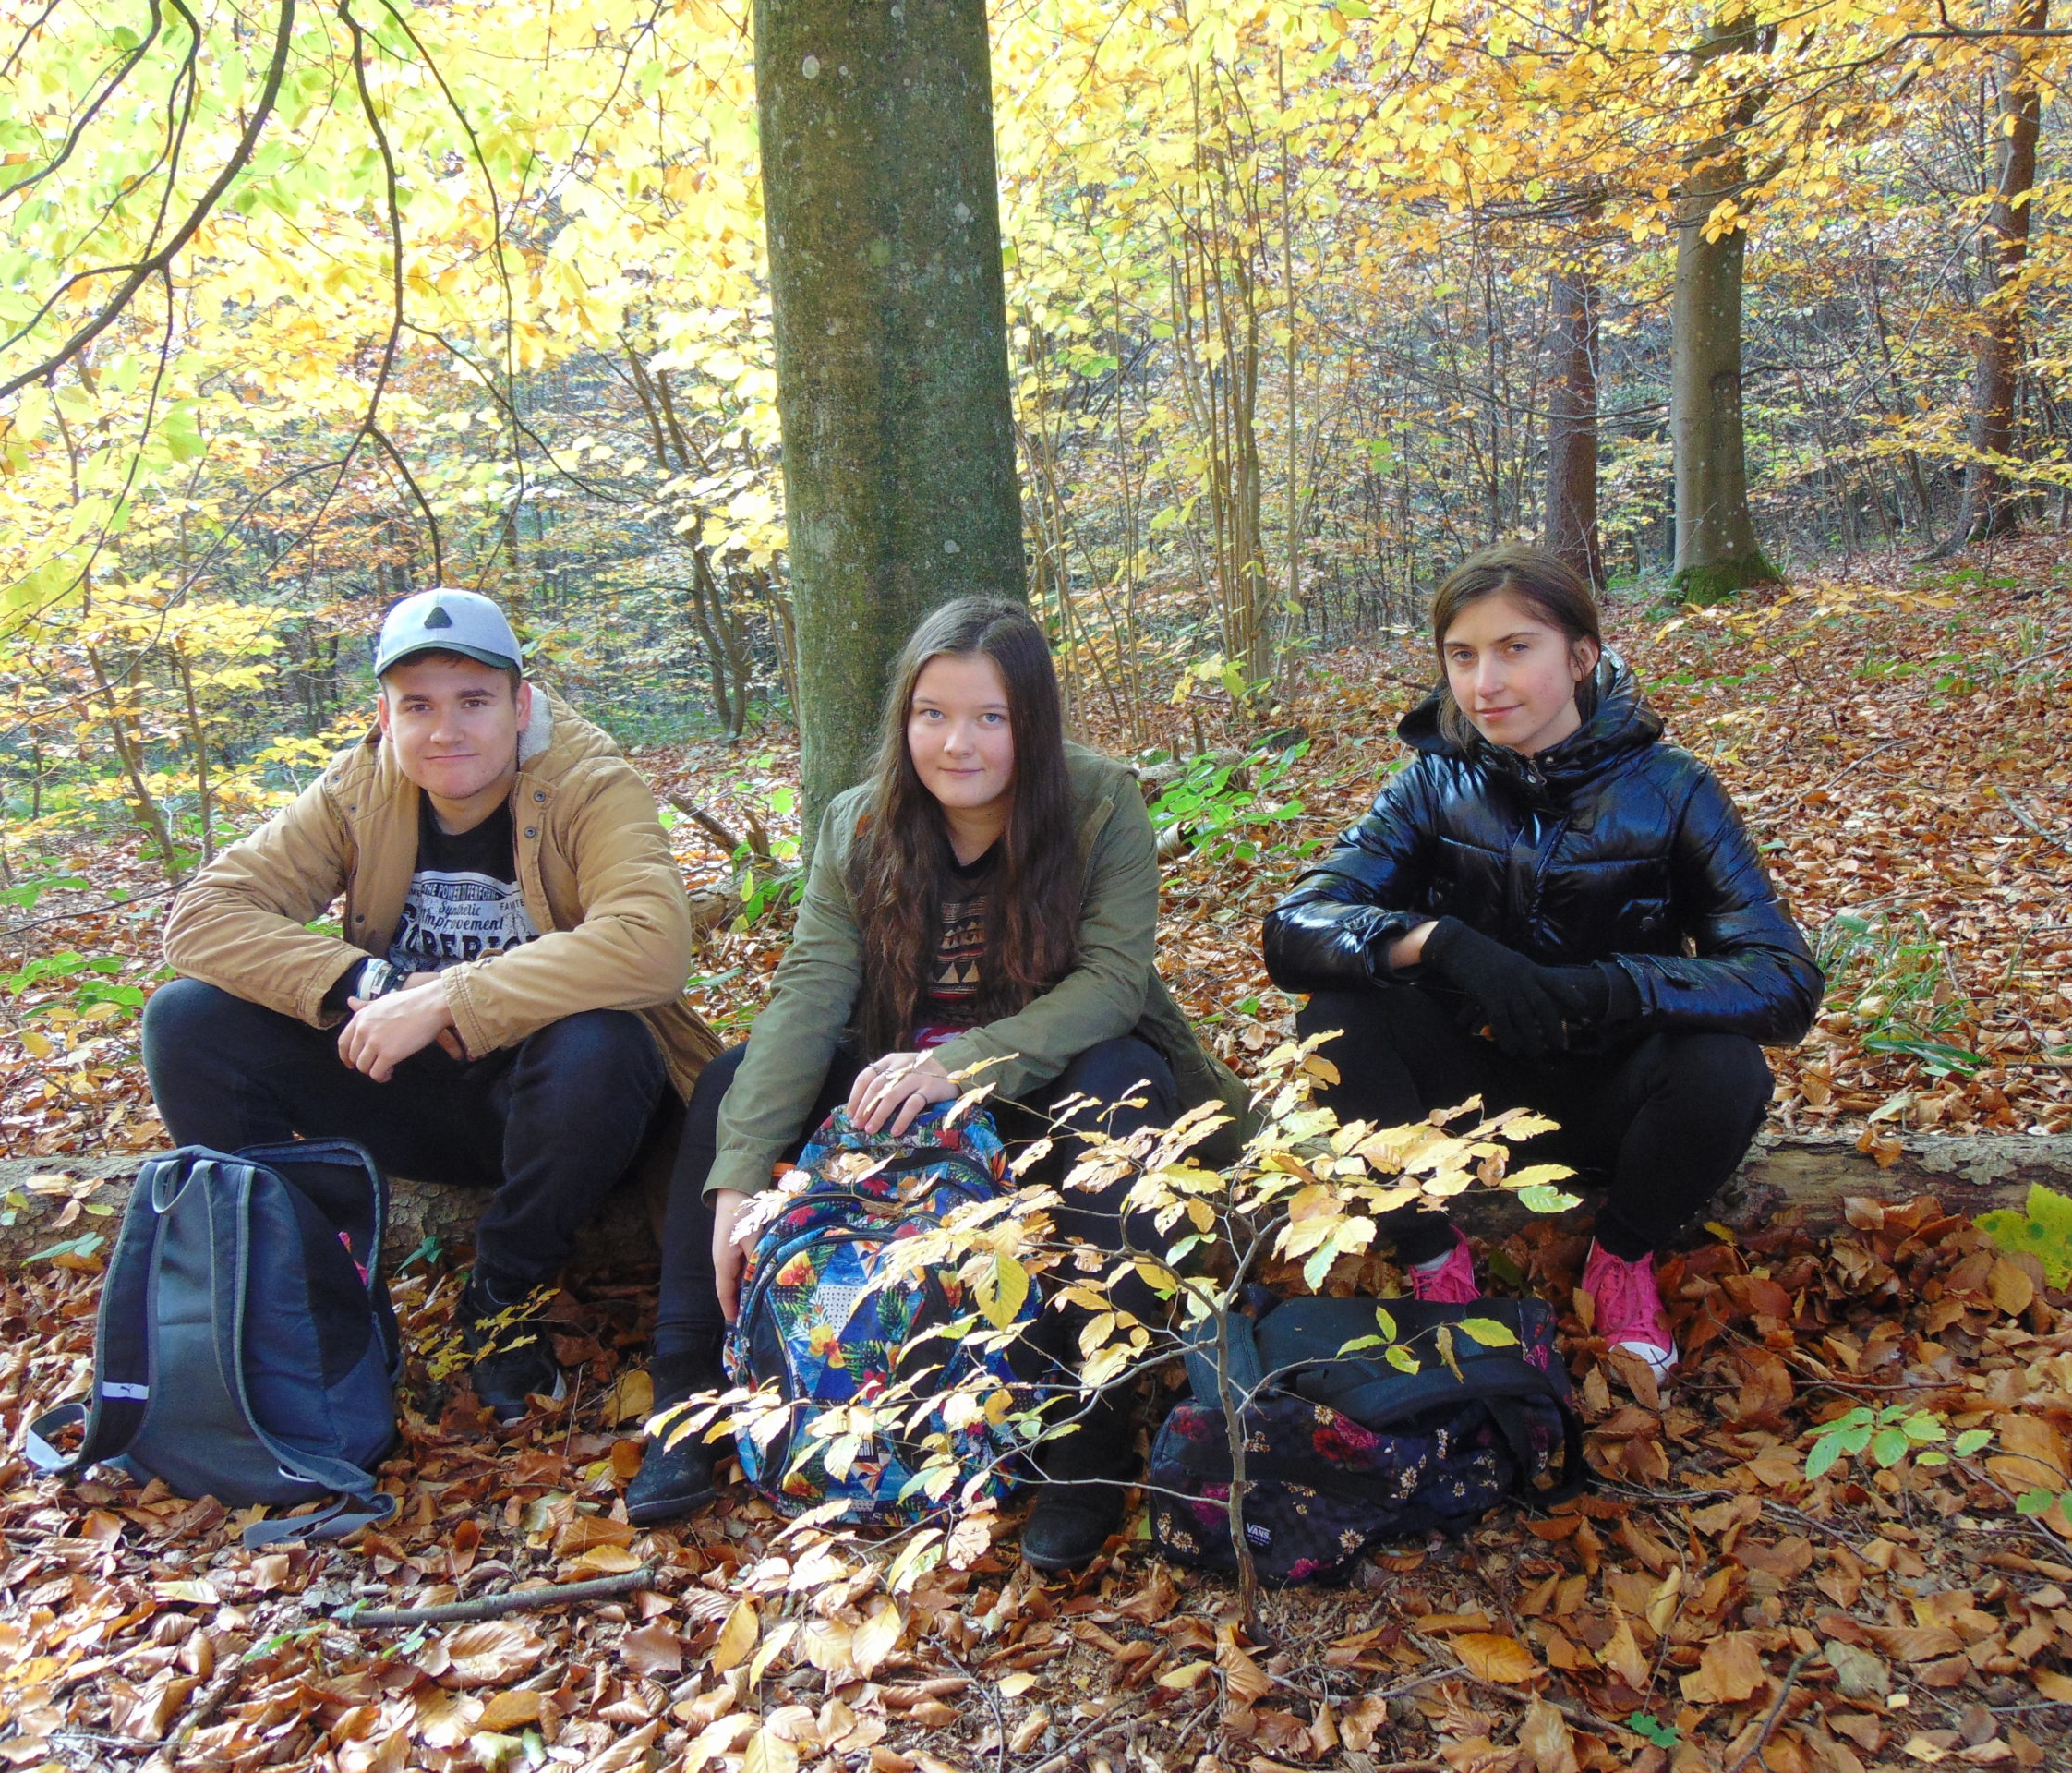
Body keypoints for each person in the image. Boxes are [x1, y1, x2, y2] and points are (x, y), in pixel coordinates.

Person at [625, 596, 1248, 1572]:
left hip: (1034, 1076)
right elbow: (810, 992)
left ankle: (1091, 1433)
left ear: (1032, 721)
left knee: (1122, 1083)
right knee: (730, 1082)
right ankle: (687, 1394)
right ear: (903, 719)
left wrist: (957, 1064)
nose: (958, 744)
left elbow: (1112, 983)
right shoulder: (859, 822)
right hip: (894, 1082)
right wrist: (740, 1175)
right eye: (933, 714)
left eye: (990, 717)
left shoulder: (1095, 805)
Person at [145, 588, 717, 1422]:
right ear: (385, 717)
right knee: (186, 1020)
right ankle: (313, 1290)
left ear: (521, 707)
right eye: (418, 706)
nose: (446, 730)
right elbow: (203, 917)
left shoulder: (591, 786)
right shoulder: (358, 789)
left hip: (562, 1108)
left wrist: (452, 996)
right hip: (404, 1082)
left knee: (605, 1040)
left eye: (474, 701)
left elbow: (651, 943)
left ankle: (505, 1299)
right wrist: (370, 985)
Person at [1261, 544, 1821, 1381]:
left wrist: (1615, 987)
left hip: (1613, 1095)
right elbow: (1294, 928)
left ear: (1581, 655)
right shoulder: (1434, 783)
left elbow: (1784, 980)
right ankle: (1432, 1256)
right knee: (1334, 1016)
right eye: (1462, 656)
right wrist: (1440, 943)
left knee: (1726, 1063)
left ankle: (1622, 1258)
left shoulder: (1673, 789)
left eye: (1515, 648)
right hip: (1467, 1095)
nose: (1484, 683)